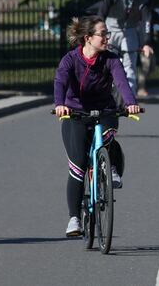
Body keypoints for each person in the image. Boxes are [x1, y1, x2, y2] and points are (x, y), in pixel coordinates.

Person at [54, 16, 140, 237]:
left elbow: (121, 81)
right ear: (88, 38)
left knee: (109, 133)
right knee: (79, 165)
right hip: (75, 113)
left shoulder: (111, 59)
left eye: (107, 33)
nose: (107, 38)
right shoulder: (70, 60)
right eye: (103, 34)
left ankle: (109, 168)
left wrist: (130, 103)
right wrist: (60, 104)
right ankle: (74, 219)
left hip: (105, 111)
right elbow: (60, 81)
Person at [96, 0, 154, 94]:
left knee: (130, 66)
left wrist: (146, 42)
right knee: (107, 61)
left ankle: (130, 97)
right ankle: (104, 91)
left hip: (130, 30)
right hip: (112, 28)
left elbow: (146, 20)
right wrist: (100, 33)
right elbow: (102, 13)